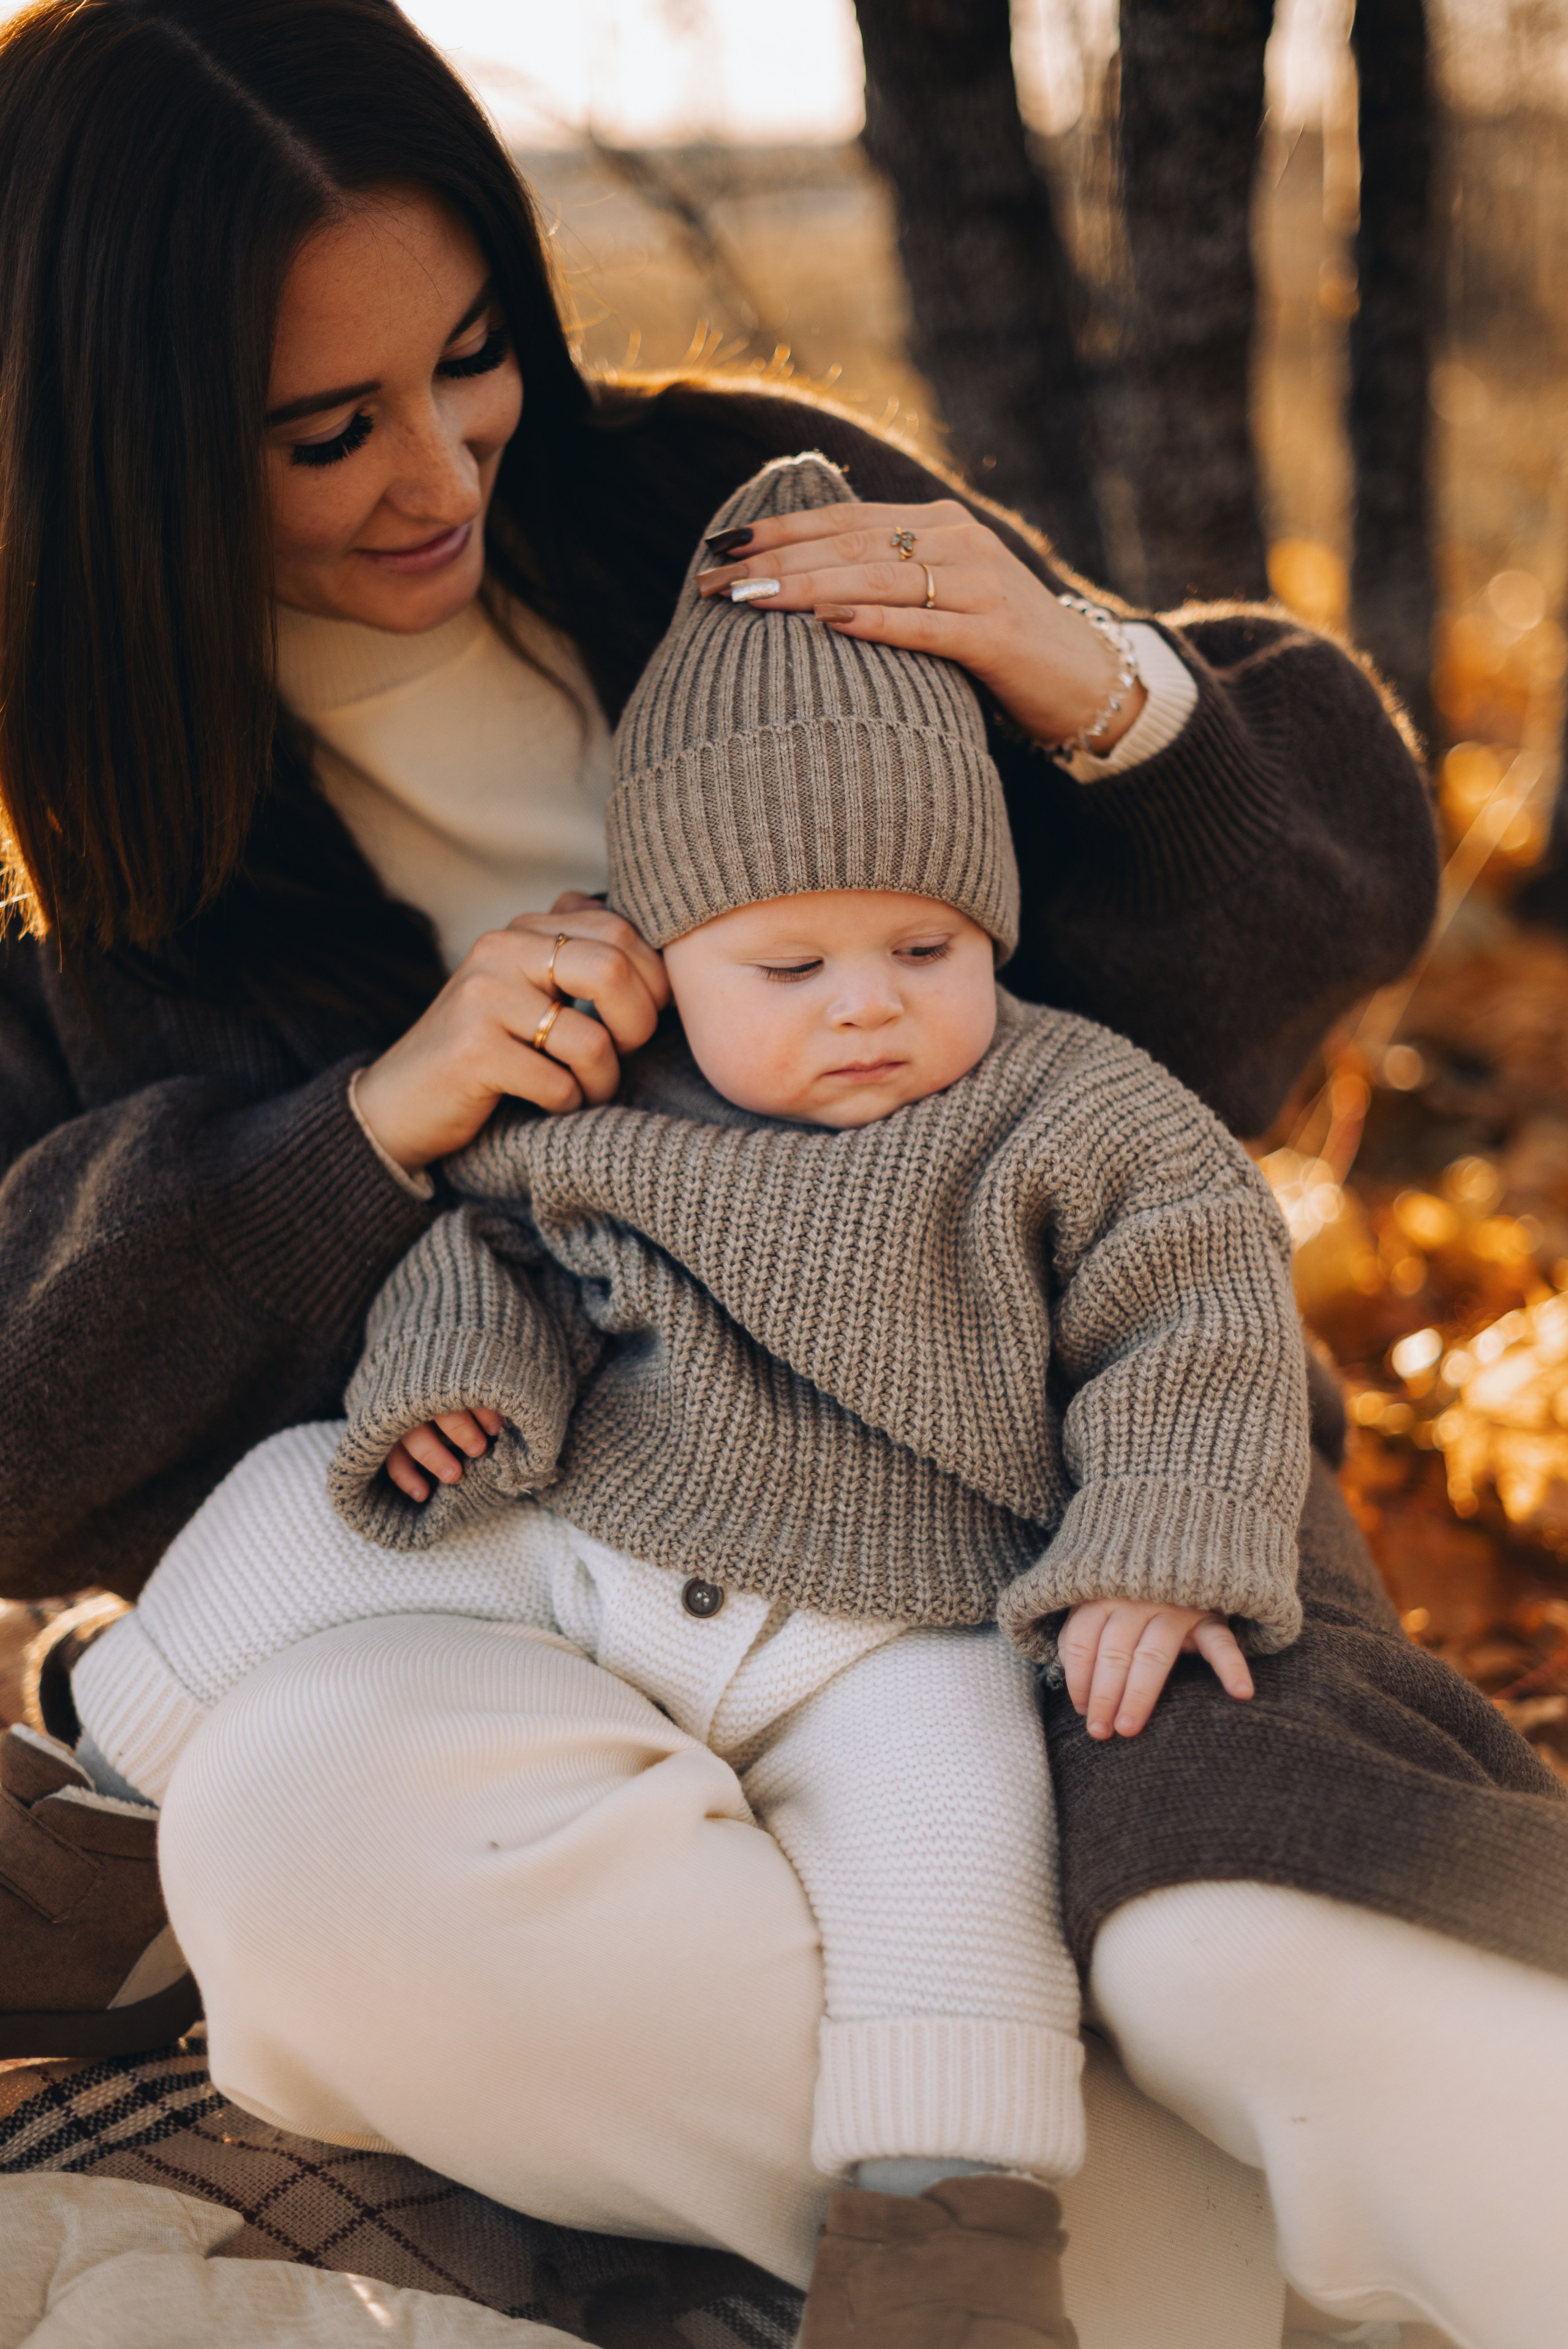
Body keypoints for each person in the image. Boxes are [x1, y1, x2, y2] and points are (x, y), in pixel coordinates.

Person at [0, 4, 1562, 2343]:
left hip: (1048, 1513)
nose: (439, 468)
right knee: (298, 1847)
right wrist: (366, 1130)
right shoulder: (102, 847)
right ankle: (1198, 2289)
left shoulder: (722, 518)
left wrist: (1093, 684)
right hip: (530, 1591)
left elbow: (1261, 978)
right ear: (120, 447)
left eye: (473, 358)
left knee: (1254, 1944)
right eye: (327, 431)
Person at [66, 450, 1315, 2348]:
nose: (866, 1004)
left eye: (926, 948)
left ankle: (950, 2238)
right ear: (663, 955)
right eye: (790, 963)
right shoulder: (609, 1107)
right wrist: (455, 1391)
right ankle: (86, 1839)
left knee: (951, 1872)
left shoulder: (1072, 1110)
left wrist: (1160, 1537)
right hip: (589, 1528)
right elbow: (488, 1255)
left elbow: (1203, 1315)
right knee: (290, 1510)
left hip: (902, 1619)